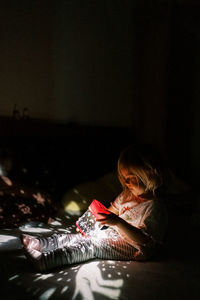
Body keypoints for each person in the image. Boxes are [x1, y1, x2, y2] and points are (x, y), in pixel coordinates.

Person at [21, 144, 168, 272]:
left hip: (135, 248)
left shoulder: (155, 207)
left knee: (90, 245)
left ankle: (45, 261)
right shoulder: (127, 195)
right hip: (116, 235)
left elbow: (145, 240)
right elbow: (109, 212)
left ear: (150, 173)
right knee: (80, 236)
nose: (126, 182)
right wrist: (91, 221)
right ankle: (41, 244)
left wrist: (118, 222)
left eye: (130, 177)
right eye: (124, 178)